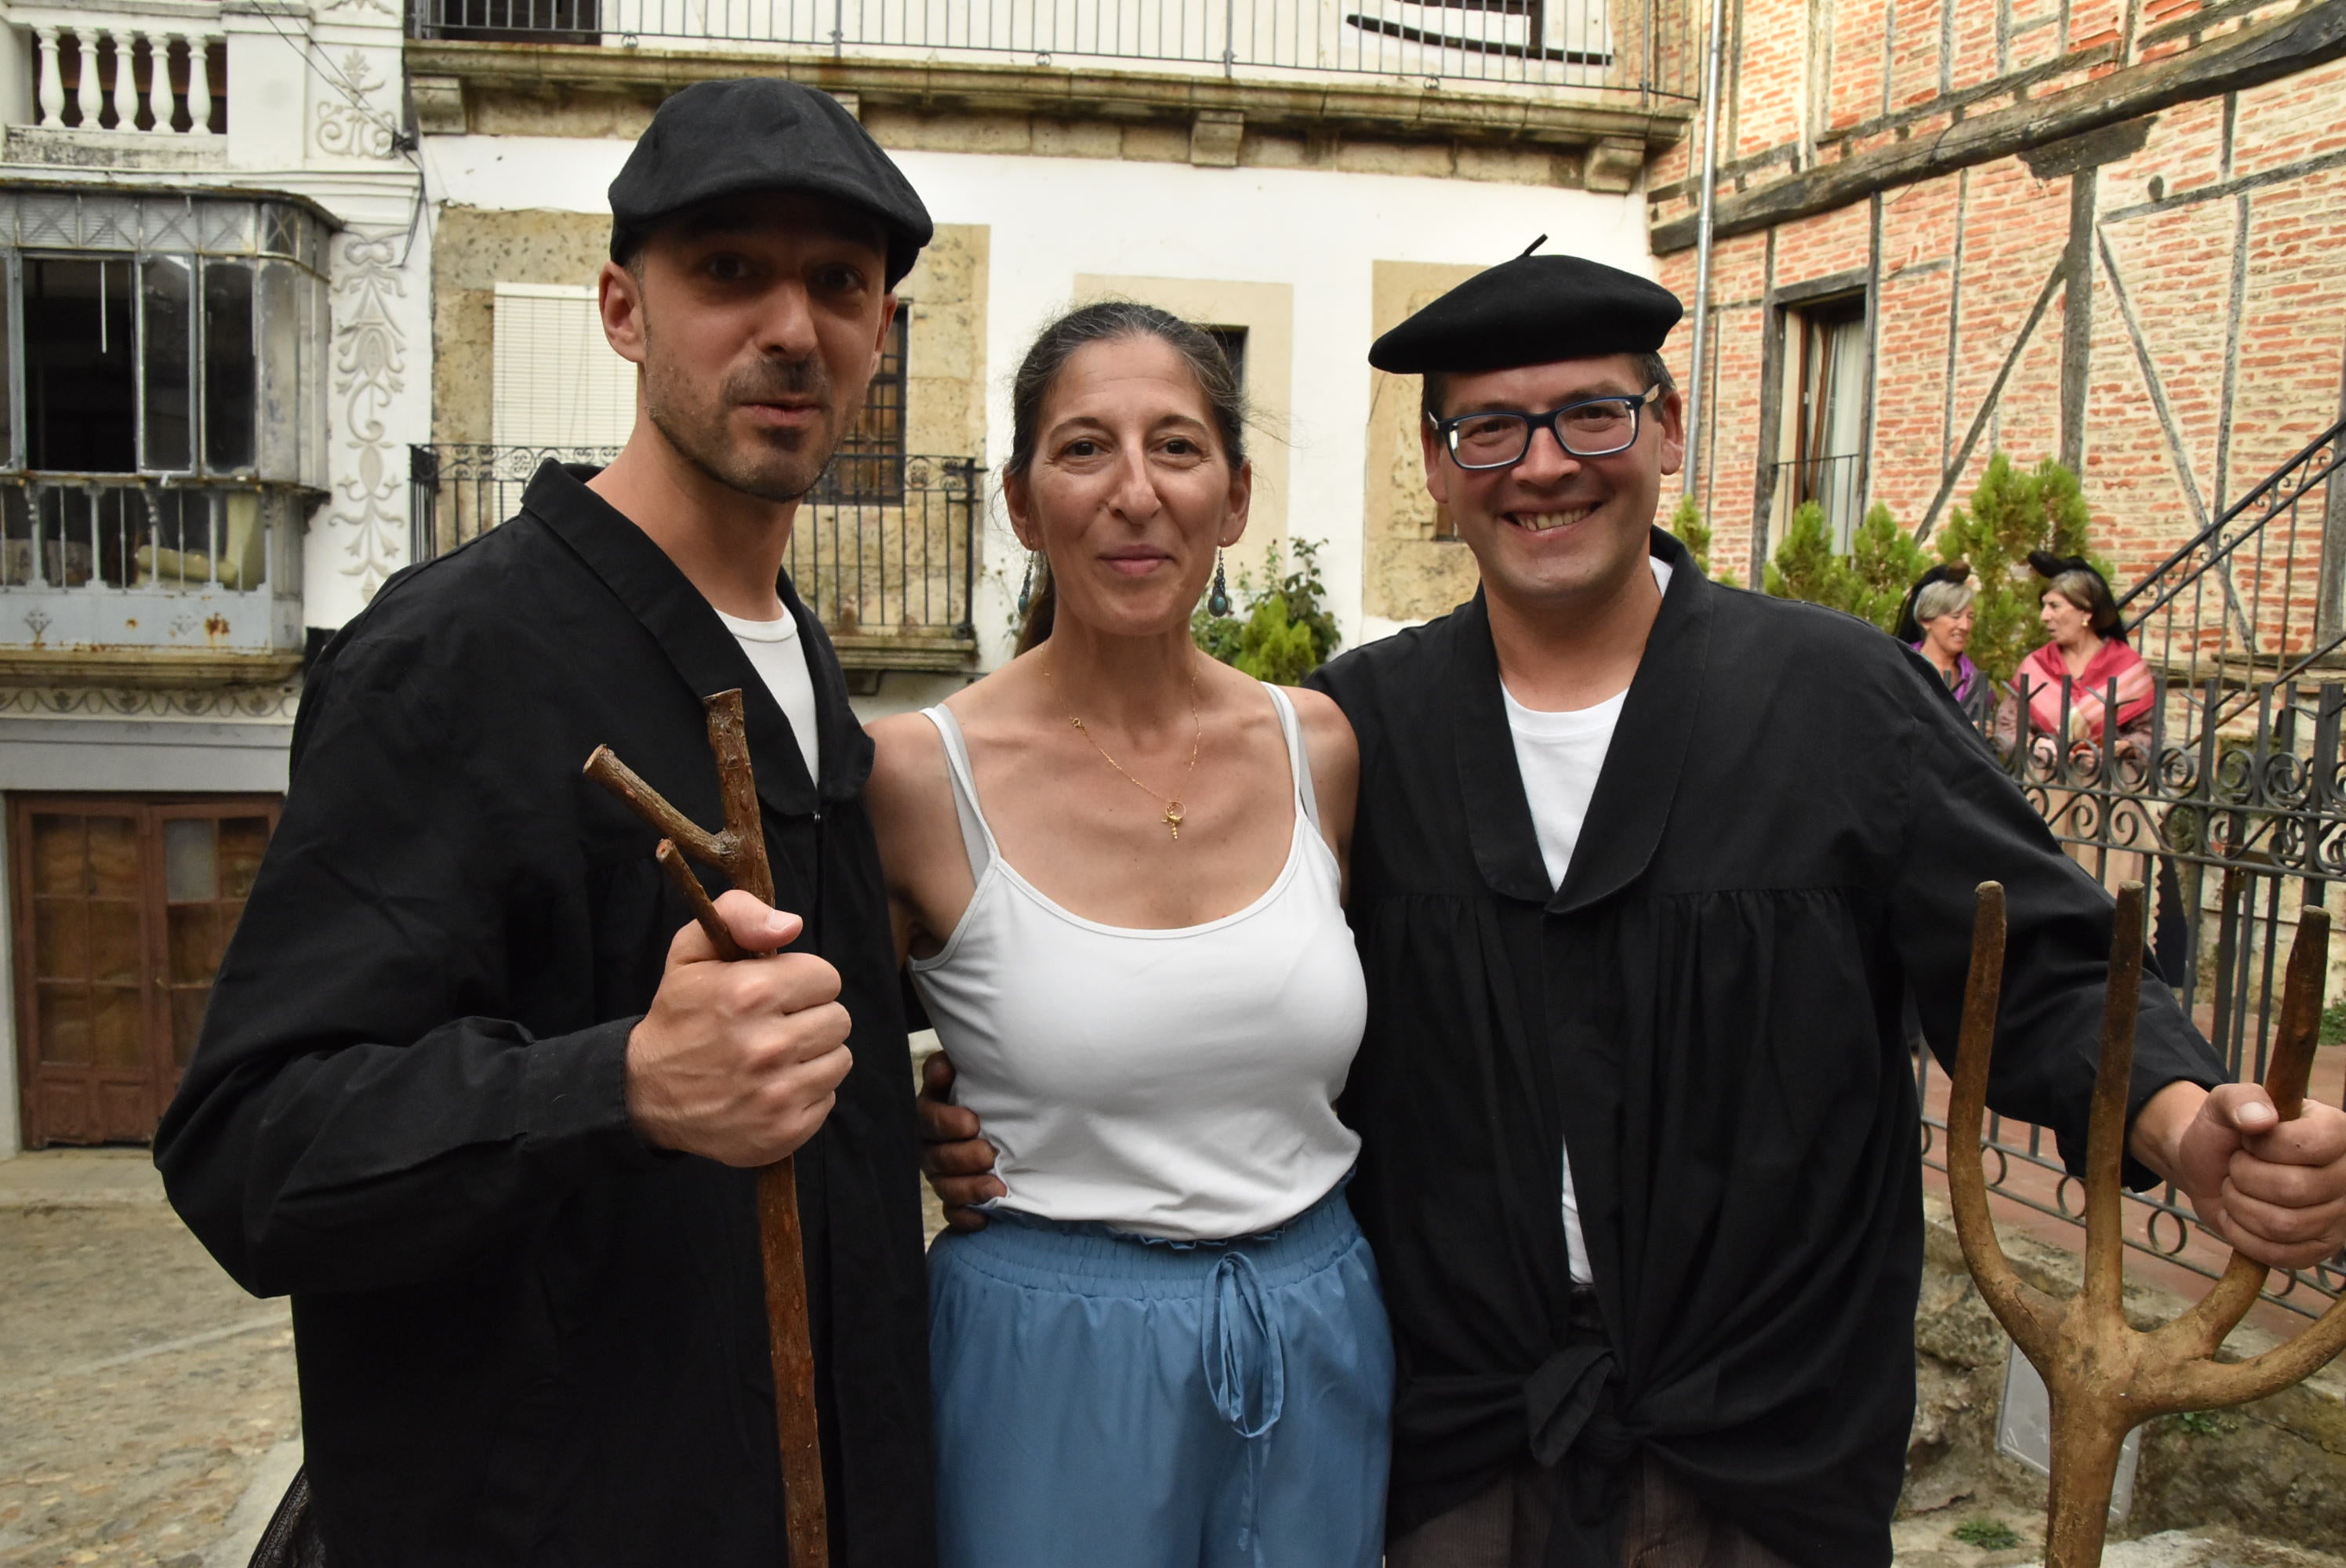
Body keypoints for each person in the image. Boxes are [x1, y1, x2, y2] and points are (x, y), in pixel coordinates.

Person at [921, 250, 2346, 1566]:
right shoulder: (1366, 730)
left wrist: (2177, 1121)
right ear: (1435, 468)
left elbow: (2028, 965)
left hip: (1757, 1444)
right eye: (1490, 428)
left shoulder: (1838, 701)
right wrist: (967, 1102)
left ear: (1664, 434)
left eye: (1590, 418)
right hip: (1455, 1441)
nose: (1542, 467)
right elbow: (1218, 994)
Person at [155, 81, 937, 1566]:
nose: (792, 326)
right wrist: (621, 1088)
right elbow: (249, 1150)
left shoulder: (804, 666)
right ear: (621, 311)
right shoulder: (448, 660)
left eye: (840, 284)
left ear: (881, 337)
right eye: (727, 273)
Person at [866, 301, 1391, 1568]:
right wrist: (910, 1117)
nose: (1135, 493)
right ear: (1020, 499)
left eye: (1177, 447)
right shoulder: (915, 776)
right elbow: (817, 1050)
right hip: (1048, 1348)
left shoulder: (1316, 747)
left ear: (1235, 495)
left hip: (1313, 1328)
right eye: (1084, 448)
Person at [2006, 551, 2155, 763]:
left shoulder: (2127, 666)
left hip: (2109, 786)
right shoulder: (2036, 665)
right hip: (2046, 784)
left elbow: (2150, 734)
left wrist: (2121, 749)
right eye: (2044, 606)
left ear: (2085, 613)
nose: (2044, 616)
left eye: (2054, 606)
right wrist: (2033, 745)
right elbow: (2008, 726)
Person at [1894, 562, 1992, 730]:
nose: (1965, 626)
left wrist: (1984, 732)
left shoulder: (1976, 681)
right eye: (1956, 616)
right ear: (1926, 620)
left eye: (1970, 617)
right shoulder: (1900, 669)